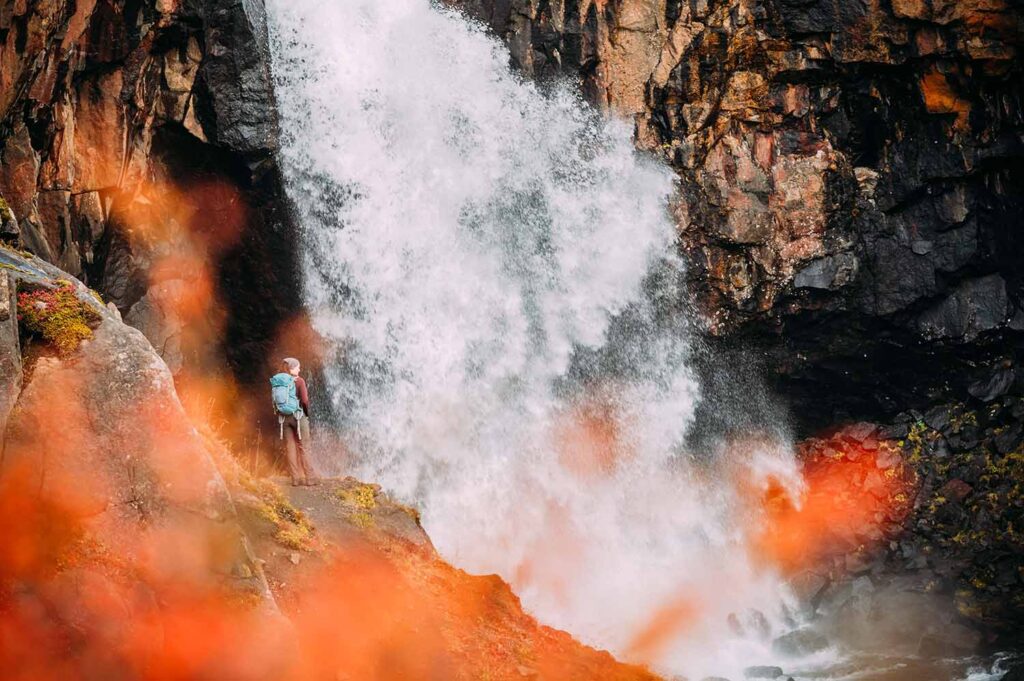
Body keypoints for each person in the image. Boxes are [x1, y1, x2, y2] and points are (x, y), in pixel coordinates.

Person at [270, 357, 318, 486]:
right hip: (298, 416)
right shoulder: (299, 381)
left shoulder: (278, 381)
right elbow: (305, 400)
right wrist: (306, 414)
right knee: (304, 447)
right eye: (298, 367)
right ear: (292, 368)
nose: (300, 369)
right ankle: (310, 478)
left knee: (290, 448)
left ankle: (295, 479)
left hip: (284, 418)